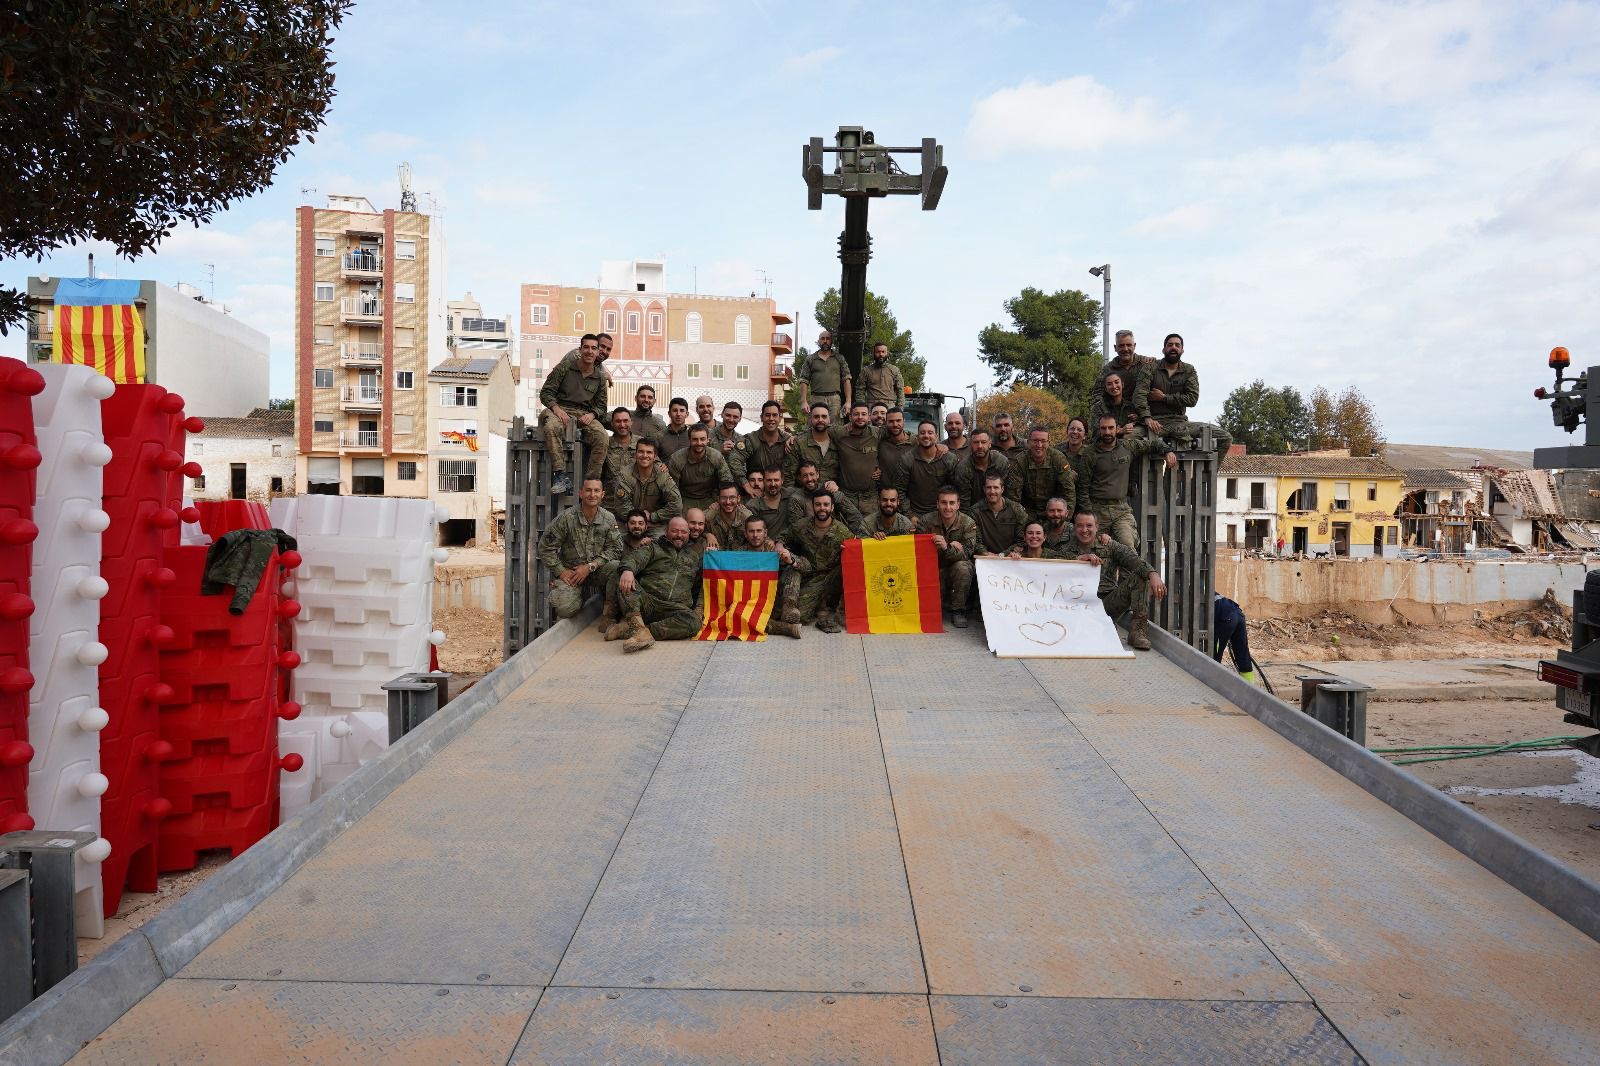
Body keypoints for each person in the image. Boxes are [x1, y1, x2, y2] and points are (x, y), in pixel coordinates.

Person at [1055, 510, 1166, 651]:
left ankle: (1137, 631)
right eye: (1080, 526)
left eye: (1089, 526)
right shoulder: (1064, 548)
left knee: (1140, 577)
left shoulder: (1109, 546)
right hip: (1075, 607)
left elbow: (1133, 560)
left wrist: (1153, 574)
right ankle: (1099, 625)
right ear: (1074, 527)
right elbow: (1051, 567)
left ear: (1097, 526)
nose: (1084, 530)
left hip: (1106, 603)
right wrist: (1077, 560)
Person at [607, 516, 703, 653]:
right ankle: (638, 628)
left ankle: (634, 630)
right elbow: (633, 559)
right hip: (647, 603)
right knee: (622, 576)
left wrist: (698, 609)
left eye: (683, 532)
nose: (679, 535)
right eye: (675, 531)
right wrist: (627, 570)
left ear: (688, 533)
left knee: (694, 622)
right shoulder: (653, 548)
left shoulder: (694, 557)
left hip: (674, 610)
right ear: (666, 531)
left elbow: (700, 586)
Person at [537, 477, 623, 626]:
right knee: (565, 609)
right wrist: (561, 571)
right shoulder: (567, 518)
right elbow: (545, 547)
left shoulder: (608, 518)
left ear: (602, 494)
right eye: (588, 490)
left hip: (597, 570)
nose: (592, 494)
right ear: (581, 493)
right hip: (572, 575)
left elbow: (616, 549)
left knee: (617, 567)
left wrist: (591, 566)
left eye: (596, 491)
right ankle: (577, 595)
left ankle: (610, 613)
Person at [1083, 414, 1175, 549]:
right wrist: (1088, 515)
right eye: (1103, 428)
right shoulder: (1090, 453)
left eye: (1110, 428)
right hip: (1097, 509)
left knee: (1128, 547)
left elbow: (1153, 444)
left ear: (1117, 429)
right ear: (1099, 430)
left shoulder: (1127, 446)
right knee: (1098, 551)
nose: (1107, 432)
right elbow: (1082, 488)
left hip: (1121, 509)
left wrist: (1168, 451)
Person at [538, 333, 610, 495]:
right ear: (580, 349)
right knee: (550, 427)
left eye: (593, 348)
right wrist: (557, 410)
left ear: (598, 352)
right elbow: (546, 393)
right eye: (586, 347)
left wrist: (592, 415)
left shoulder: (600, 377)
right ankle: (561, 476)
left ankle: (591, 483)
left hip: (584, 413)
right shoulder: (565, 367)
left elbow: (601, 405)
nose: (589, 352)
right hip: (559, 408)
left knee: (602, 437)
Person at [1137, 333, 1232, 451]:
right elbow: (1139, 395)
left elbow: (1192, 399)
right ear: (1163, 349)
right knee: (1127, 438)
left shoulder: (1189, 370)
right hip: (1154, 423)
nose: (1173, 347)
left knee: (1225, 437)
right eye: (1170, 345)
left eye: (1177, 345)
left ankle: (1211, 470)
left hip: (1180, 423)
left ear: (1182, 350)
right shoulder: (1150, 368)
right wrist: (1147, 418)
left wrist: (1164, 397)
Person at [783, 488, 853, 633]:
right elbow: (783, 537)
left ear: (832, 507)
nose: (822, 508)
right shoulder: (801, 526)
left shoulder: (842, 531)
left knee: (844, 571)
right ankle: (818, 606)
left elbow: (855, 551)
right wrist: (779, 545)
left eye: (826, 505)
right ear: (812, 506)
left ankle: (829, 607)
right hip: (809, 576)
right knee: (797, 615)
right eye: (818, 504)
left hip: (830, 578)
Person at [741, 514, 802, 639]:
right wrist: (712, 553)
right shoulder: (738, 553)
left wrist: (791, 560)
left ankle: (789, 609)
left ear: (765, 533)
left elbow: (807, 566)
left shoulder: (775, 552)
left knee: (793, 570)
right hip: (749, 603)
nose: (755, 535)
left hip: (773, 601)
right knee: (741, 617)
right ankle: (787, 628)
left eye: (759, 531)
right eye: (751, 531)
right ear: (745, 534)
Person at [928, 486, 979, 628]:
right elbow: (921, 553)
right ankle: (932, 610)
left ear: (958, 505)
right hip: (934, 569)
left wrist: (945, 546)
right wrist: (952, 546)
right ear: (937, 504)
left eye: (952, 503)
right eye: (944, 503)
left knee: (964, 566)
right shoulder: (926, 522)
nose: (948, 507)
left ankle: (958, 611)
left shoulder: (968, 523)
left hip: (954, 571)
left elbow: (966, 554)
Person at [608, 438, 681, 532]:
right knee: (616, 538)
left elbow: (676, 504)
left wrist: (652, 516)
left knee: (663, 541)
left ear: (655, 457)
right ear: (635, 454)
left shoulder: (662, 475)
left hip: (655, 523)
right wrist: (640, 521)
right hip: (629, 522)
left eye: (649, 452)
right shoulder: (625, 475)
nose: (645, 455)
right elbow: (621, 506)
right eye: (641, 452)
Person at [1006, 425, 1077, 520]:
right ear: (1028, 442)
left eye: (1043, 441)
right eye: (1035, 441)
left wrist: (1064, 520)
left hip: (1054, 512)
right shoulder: (1020, 461)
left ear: (1048, 443)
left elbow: (1068, 493)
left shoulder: (1058, 459)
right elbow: (1013, 497)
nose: (1039, 445)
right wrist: (1020, 519)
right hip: (1027, 512)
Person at [784, 459, 866, 536]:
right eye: (805, 475)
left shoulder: (830, 491)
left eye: (812, 474)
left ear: (817, 475)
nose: (809, 479)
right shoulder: (796, 499)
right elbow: (796, 528)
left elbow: (854, 516)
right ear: (800, 477)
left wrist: (855, 538)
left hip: (836, 535)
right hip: (810, 541)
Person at [901, 420, 959, 526]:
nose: (926, 436)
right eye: (922, 433)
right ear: (917, 436)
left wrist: (951, 514)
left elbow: (957, 489)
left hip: (943, 514)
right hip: (916, 516)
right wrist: (909, 515)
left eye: (930, 433)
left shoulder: (949, 459)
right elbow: (900, 491)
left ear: (936, 436)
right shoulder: (907, 459)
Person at [833, 400, 883, 518]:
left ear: (869, 417)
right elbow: (818, 429)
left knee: (871, 532)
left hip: (870, 497)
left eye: (864, 414)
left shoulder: (877, 433)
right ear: (850, 416)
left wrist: (935, 444)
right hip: (847, 496)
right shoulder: (839, 433)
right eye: (856, 414)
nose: (860, 417)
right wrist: (792, 437)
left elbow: (899, 434)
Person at [667, 424, 733, 512]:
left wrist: (719, 501)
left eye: (702, 439)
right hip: (684, 499)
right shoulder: (677, 459)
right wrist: (678, 505)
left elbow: (727, 482)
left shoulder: (716, 456)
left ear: (708, 440)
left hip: (710, 498)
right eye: (695, 439)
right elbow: (672, 488)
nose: (699, 443)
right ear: (689, 440)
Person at [731, 399, 794, 484]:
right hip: (756, 489)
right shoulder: (750, 439)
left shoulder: (788, 440)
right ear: (761, 417)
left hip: (781, 491)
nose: (771, 419)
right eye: (767, 415)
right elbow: (734, 461)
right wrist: (745, 484)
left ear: (780, 418)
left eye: (774, 415)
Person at [1098, 330, 1156, 422]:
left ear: (1134, 346)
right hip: (1116, 417)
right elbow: (1097, 396)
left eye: (1129, 345)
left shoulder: (1146, 364)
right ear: (1115, 348)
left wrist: (1142, 414)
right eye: (1121, 345)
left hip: (1144, 415)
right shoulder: (1107, 370)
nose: (1125, 349)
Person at [797, 330, 852, 419]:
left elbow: (846, 379)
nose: (825, 341)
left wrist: (848, 401)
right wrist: (803, 401)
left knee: (835, 428)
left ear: (831, 341)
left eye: (828, 338)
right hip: (816, 398)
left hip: (835, 400)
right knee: (815, 426)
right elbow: (804, 380)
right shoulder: (810, 359)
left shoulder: (839, 358)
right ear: (819, 341)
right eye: (823, 339)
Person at [953, 428, 1012, 511]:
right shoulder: (963, 467)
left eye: (983, 442)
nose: (980, 446)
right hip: (974, 511)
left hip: (1000, 509)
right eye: (976, 442)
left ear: (990, 444)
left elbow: (1008, 493)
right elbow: (964, 502)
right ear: (970, 444)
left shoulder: (1001, 462)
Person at [972, 473, 1030, 557]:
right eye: (989, 487)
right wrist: (985, 553)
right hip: (985, 558)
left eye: (996, 487)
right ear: (984, 489)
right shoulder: (975, 511)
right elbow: (975, 540)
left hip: (1011, 558)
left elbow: (1022, 540)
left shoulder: (1017, 509)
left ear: (1002, 489)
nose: (992, 491)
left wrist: (1002, 555)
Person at [793, 402, 843, 489]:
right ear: (810, 419)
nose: (820, 420)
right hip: (805, 495)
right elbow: (789, 476)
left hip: (831, 495)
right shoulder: (799, 443)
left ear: (829, 419)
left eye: (824, 416)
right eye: (816, 417)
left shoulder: (838, 442)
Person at [876, 407, 918, 505]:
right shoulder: (879, 442)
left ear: (904, 421)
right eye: (891, 421)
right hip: (886, 500)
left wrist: (940, 446)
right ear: (886, 422)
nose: (895, 424)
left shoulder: (916, 443)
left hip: (910, 499)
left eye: (898, 420)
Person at [1213, 594, 1256, 680]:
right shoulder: (1213, 593)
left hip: (1226, 617)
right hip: (1238, 614)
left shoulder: (1198, 595)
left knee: (1215, 653)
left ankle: (1213, 680)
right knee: (1242, 651)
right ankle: (1249, 686)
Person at [856, 341, 905, 411]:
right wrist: (861, 408)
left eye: (883, 352)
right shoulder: (866, 371)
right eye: (878, 352)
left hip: (890, 406)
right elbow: (860, 390)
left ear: (887, 353)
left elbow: (900, 390)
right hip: (871, 406)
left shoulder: (894, 370)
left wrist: (900, 408)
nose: (881, 354)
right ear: (874, 353)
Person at [601, 407, 639, 492]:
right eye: (618, 421)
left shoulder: (642, 444)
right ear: (612, 423)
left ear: (631, 422)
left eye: (625, 421)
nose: (622, 425)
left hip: (635, 499)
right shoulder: (604, 444)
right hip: (610, 500)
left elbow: (656, 465)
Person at [1091, 372, 1141, 437]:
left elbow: (1138, 426)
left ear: (1122, 385)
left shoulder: (1130, 406)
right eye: (1109, 384)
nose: (1114, 386)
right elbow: (1096, 432)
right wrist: (1119, 431)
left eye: (1116, 382)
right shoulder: (1099, 407)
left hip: (1125, 444)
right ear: (1106, 389)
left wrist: (1136, 419)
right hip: (1105, 444)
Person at [749, 466, 790, 541]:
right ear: (763, 481)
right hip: (765, 548)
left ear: (782, 481)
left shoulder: (791, 496)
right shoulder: (753, 505)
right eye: (769, 480)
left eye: (776, 480)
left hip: (789, 547)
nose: (773, 484)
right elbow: (752, 531)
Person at [707, 483, 752, 551]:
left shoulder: (747, 517)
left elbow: (757, 535)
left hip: (740, 556)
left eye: (732, 497)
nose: (728, 502)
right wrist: (708, 535)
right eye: (724, 498)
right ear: (718, 499)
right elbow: (696, 529)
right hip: (717, 556)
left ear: (738, 498)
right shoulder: (710, 516)